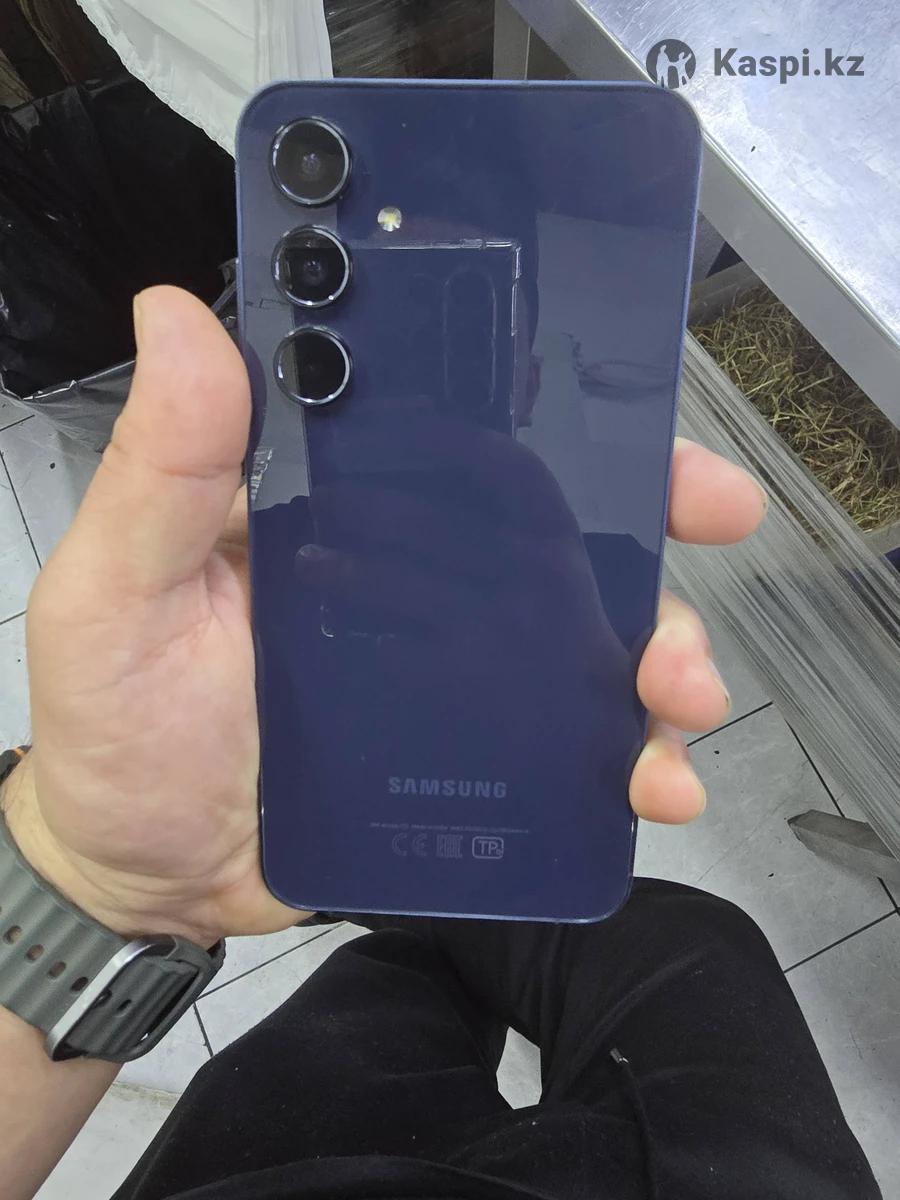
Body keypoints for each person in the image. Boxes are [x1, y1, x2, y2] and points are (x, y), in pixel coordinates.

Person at [0, 288, 879, 1200]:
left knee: (377, 1000)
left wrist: (94, 882)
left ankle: (399, 895)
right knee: (680, 942)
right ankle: (416, 898)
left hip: (274, 1155)